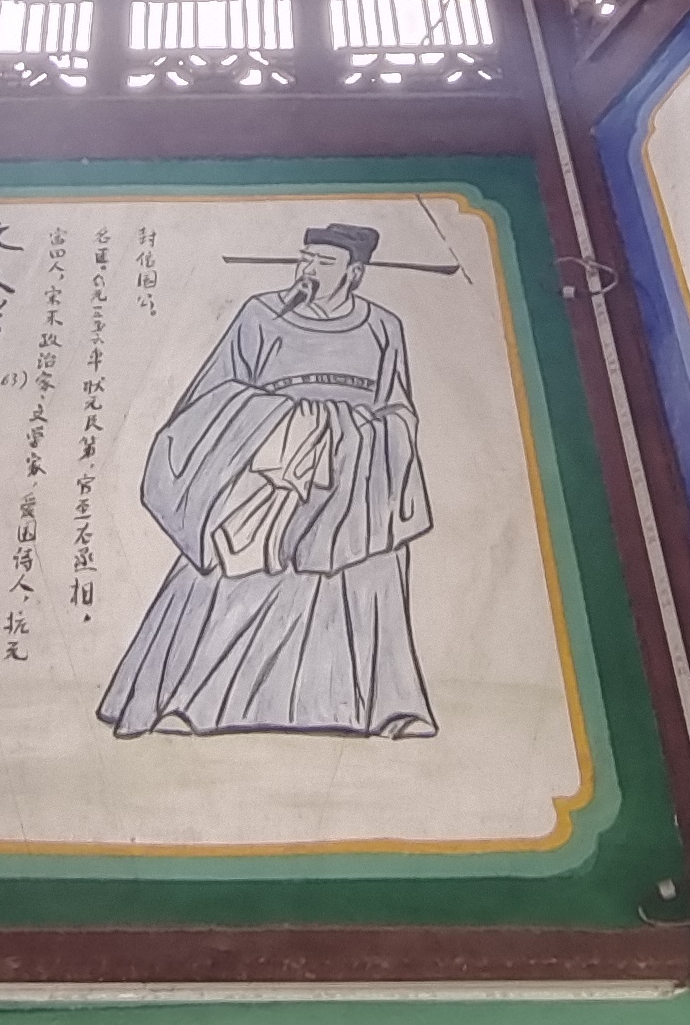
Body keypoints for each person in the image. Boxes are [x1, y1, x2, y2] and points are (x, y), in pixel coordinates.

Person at [97, 223, 437, 739]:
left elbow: (398, 409)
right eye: (305, 258)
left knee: (372, 563)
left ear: (354, 273)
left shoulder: (382, 327)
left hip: (353, 474)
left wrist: (351, 435)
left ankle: (384, 709)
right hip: (267, 471)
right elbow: (213, 393)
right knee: (228, 566)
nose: (309, 270)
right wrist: (283, 423)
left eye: (324, 262)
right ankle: (189, 704)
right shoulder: (260, 316)